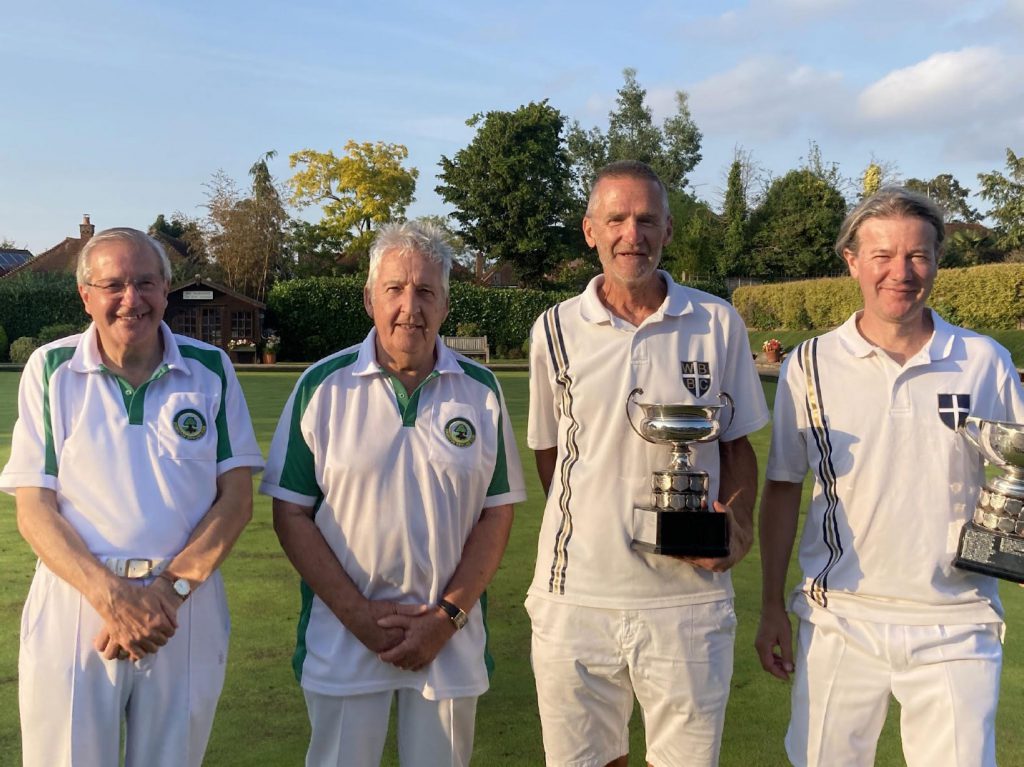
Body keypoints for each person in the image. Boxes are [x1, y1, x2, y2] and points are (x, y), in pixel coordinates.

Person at [755, 187, 1024, 767]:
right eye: (882, 256)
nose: (900, 272)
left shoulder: (983, 360)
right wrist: (771, 604)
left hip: (957, 618)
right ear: (851, 260)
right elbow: (782, 487)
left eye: (918, 255)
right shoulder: (809, 363)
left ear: (937, 261)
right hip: (839, 617)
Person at [526, 160, 769, 767]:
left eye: (646, 220)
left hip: (688, 601)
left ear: (667, 231)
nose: (630, 233)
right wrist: (597, 521)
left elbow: (736, 445)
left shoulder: (717, 321)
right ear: (590, 230)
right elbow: (551, 455)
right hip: (575, 597)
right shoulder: (553, 329)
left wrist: (735, 532)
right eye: (616, 219)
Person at [261, 220, 526, 767]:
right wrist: (357, 615)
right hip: (342, 642)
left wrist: (446, 619)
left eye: (426, 291)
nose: (411, 306)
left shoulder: (480, 391)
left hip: (447, 647)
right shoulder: (322, 386)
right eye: (395, 290)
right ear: (369, 300)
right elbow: (290, 513)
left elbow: (495, 518)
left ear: (446, 304)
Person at [0, 227, 263, 766]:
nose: (131, 299)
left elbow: (236, 501)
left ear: (166, 289)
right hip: (77, 605)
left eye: (145, 282)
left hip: (183, 609)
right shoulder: (50, 369)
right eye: (114, 284)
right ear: (86, 295)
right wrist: (112, 598)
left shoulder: (211, 369)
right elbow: (34, 508)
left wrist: (166, 592)